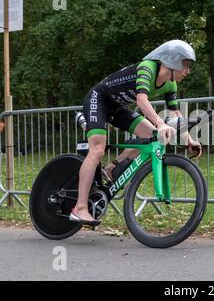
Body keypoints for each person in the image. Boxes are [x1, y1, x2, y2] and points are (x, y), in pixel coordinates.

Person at [70, 40, 202, 226]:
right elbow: (141, 100)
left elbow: (176, 114)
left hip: (117, 107)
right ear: (172, 61)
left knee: (153, 136)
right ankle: (80, 208)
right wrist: (159, 123)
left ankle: (112, 167)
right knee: (98, 149)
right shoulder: (147, 68)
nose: (188, 71)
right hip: (98, 100)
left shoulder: (170, 84)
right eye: (186, 65)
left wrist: (189, 140)